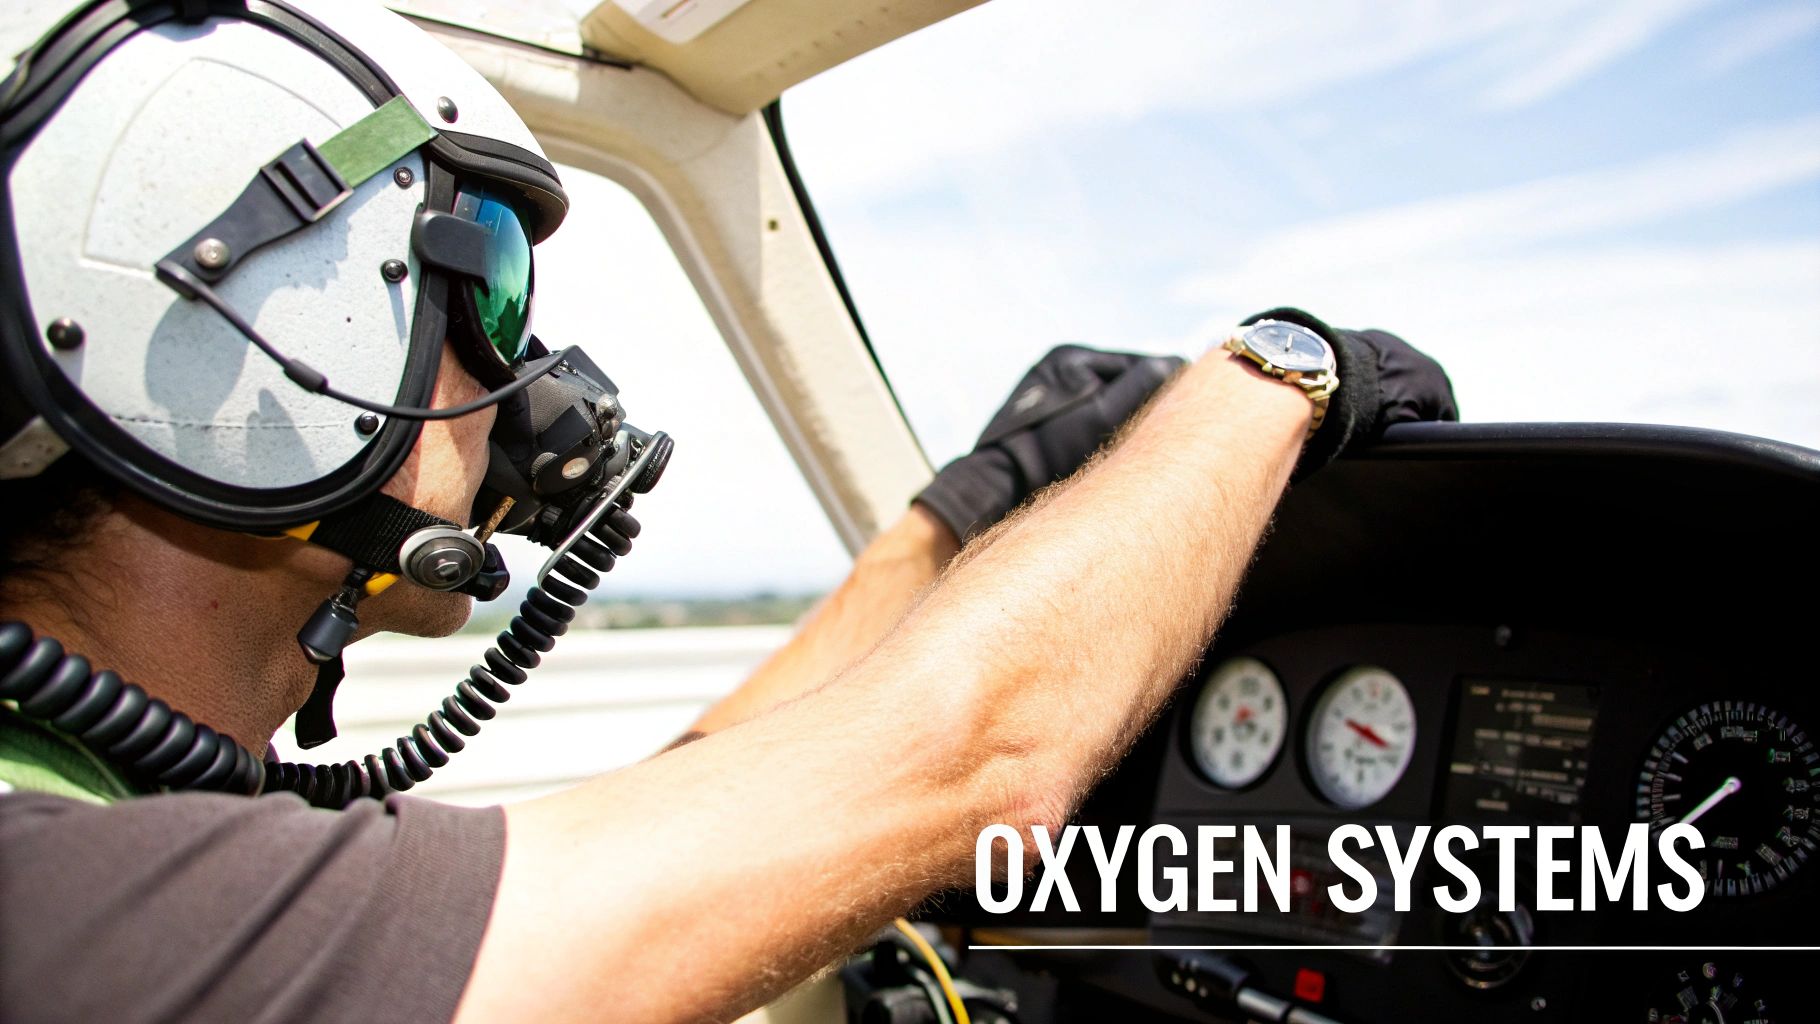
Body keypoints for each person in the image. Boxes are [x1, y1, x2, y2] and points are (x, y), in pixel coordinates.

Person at [0, 3, 1456, 1022]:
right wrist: (1280, 372)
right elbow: (971, 767)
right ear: (244, 307)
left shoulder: (118, 831)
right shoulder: (79, 910)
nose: (518, 372)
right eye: (485, 281)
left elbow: (679, 841)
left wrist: (945, 530)